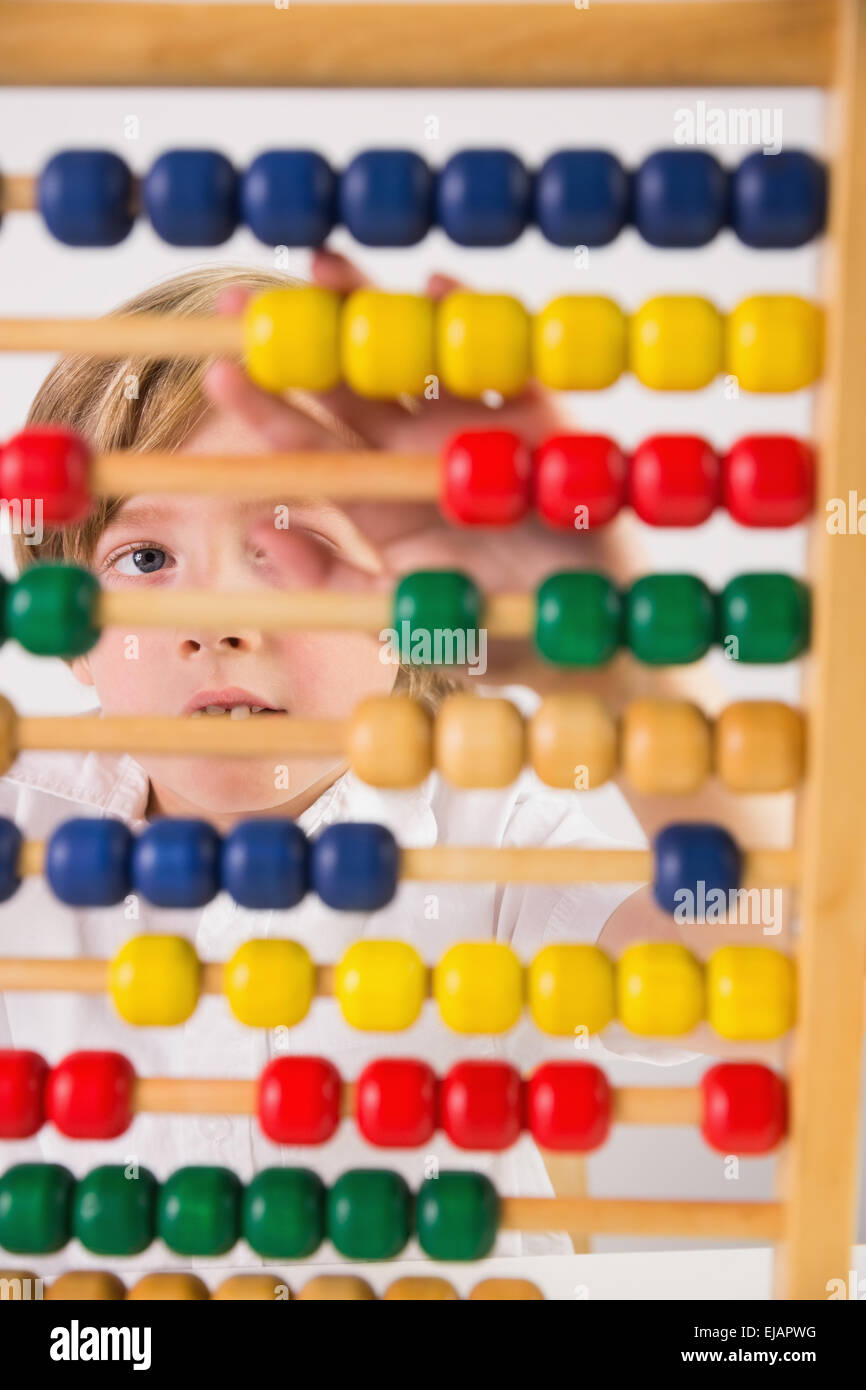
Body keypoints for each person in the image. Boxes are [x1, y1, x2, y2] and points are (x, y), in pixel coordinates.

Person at [0, 254, 773, 1279]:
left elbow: (746, 965)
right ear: (69, 627)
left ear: (410, 610)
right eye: (144, 559)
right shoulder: (24, 841)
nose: (219, 621)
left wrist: (611, 659)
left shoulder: (500, 829)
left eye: (287, 548)